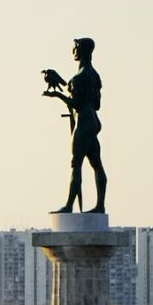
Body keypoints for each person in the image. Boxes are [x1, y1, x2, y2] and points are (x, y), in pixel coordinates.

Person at [43, 37, 107, 213]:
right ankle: (100, 205)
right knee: (96, 164)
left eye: (75, 48)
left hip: (84, 121)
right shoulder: (94, 75)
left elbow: (75, 104)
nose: (73, 52)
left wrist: (57, 96)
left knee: (76, 163)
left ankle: (69, 205)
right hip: (93, 120)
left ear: (81, 50)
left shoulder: (79, 78)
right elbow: (97, 104)